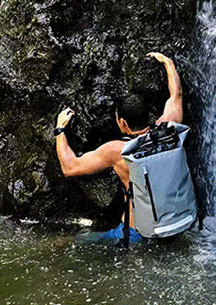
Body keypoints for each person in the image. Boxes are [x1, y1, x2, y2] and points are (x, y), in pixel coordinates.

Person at [55, 52, 183, 242]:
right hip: (174, 227)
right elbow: (176, 94)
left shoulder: (118, 151)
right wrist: (168, 63)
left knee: (68, 242)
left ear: (122, 123)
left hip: (137, 235)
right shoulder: (170, 127)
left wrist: (60, 130)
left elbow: (70, 167)